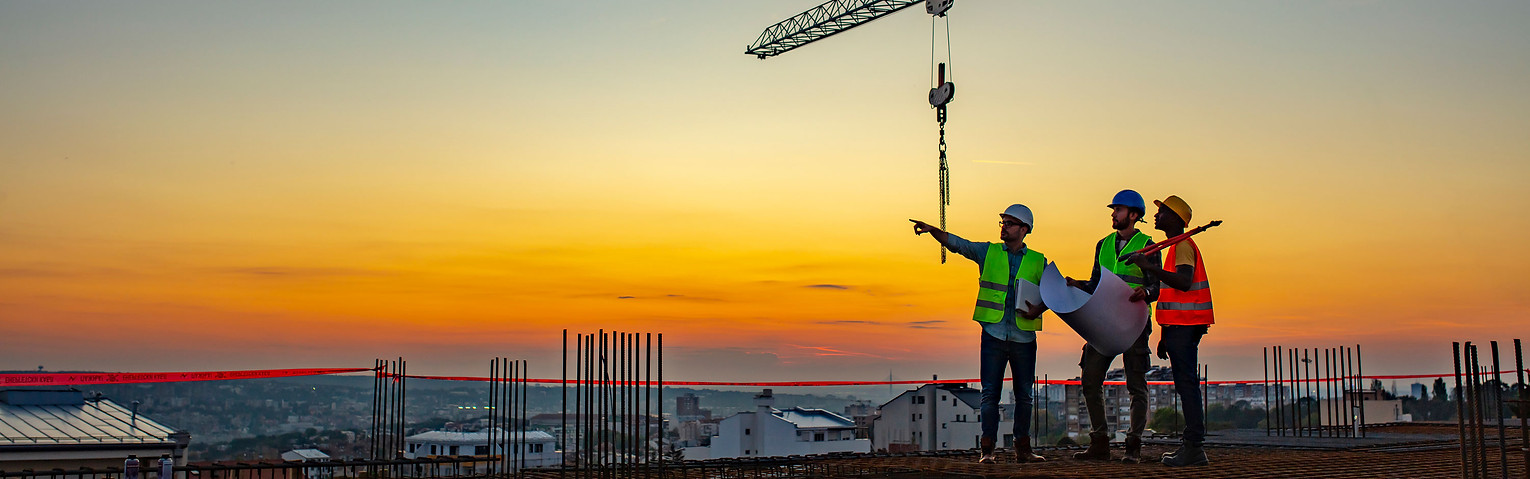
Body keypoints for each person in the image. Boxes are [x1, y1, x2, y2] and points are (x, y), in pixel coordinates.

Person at [910, 204, 1048, 464]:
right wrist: (933, 231)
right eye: (1003, 222)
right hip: (994, 334)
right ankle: (987, 451)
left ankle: (1023, 450)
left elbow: (1055, 292)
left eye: (1009, 223)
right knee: (990, 394)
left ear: (1024, 229)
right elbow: (959, 244)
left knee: (1025, 396)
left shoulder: (1038, 260)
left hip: (1024, 338)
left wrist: (1039, 308)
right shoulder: (989, 252)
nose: (1004, 227)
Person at [1065, 189, 1159, 463]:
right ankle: (1100, 443)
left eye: (1117, 210)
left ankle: (1133, 445)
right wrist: (1078, 285)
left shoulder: (1148, 246)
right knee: (1090, 379)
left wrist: (1147, 292)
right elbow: (1097, 281)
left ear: (1133, 215)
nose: (1113, 214)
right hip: (1103, 322)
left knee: (1136, 385)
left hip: (1134, 324)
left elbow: (1157, 285)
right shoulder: (1103, 244)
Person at [1128, 195, 1214, 467]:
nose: (1156, 215)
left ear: (1176, 218)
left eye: (1162, 211)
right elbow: (1171, 294)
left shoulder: (1183, 246)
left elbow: (1184, 283)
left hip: (1186, 326)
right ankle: (1192, 446)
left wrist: (1149, 267)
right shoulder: (1176, 247)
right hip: (1180, 327)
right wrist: (1166, 334)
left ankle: (1194, 447)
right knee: (1185, 384)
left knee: (1187, 385)